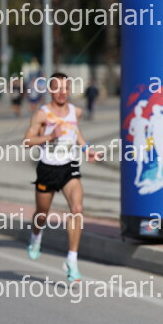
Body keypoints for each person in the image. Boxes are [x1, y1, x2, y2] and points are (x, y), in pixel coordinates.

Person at [23, 72, 100, 282]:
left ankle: (72, 260)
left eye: (65, 88)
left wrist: (87, 150)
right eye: (57, 88)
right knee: (41, 215)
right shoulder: (42, 114)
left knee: (77, 208)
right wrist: (50, 136)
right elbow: (27, 141)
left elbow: (77, 134)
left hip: (69, 168)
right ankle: (36, 237)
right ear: (50, 90)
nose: (62, 92)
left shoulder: (75, 111)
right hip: (47, 169)